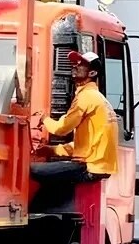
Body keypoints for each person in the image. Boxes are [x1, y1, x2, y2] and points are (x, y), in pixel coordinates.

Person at [38, 50, 119, 179]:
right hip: (96, 166)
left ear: (92, 73)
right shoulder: (96, 97)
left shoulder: (86, 97)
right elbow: (82, 146)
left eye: (81, 64)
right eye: (75, 63)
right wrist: (50, 150)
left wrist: (44, 119)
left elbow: (61, 128)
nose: (75, 65)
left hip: (89, 166)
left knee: (32, 171)